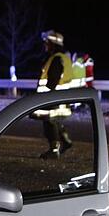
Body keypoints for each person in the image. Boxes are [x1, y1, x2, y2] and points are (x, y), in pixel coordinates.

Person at [35, 30, 76, 159]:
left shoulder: (56, 59)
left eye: (47, 43)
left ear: (53, 44)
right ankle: (65, 141)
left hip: (53, 99)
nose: (45, 45)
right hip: (62, 99)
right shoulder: (64, 58)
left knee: (49, 123)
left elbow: (52, 82)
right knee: (55, 122)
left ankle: (54, 150)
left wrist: (42, 95)